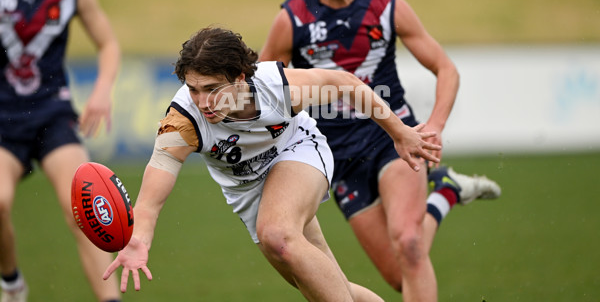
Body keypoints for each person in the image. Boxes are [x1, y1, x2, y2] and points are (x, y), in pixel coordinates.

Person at [259, 0, 501, 301]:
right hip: (335, 155)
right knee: (396, 276)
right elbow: (264, 88)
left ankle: (440, 192)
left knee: (409, 244)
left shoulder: (387, 6)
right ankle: (446, 194)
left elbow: (446, 69)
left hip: (393, 135)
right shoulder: (293, 18)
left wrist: (434, 126)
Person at [103, 27, 442, 301]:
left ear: (239, 78)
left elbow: (346, 85)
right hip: (248, 194)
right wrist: (139, 238)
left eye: (212, 88)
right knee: (328, 286)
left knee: (277, 234)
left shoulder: (275, 87)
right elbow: (150, 199)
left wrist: (399, 133)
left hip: (297, 153)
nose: (203, 101)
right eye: (193, 89)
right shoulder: (182, 123)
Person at [0, 0, 122, 301]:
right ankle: (12, 282)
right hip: (4, 118)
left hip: (53, 114)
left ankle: (111, 299)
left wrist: (102, 89)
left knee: (84, 212)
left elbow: (108, 43)